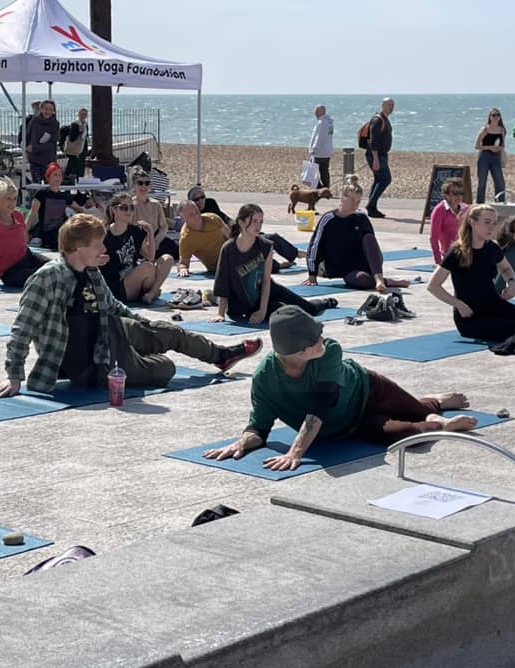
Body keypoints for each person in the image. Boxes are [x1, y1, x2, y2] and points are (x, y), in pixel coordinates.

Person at [0, 214, 263, 396]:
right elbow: (21, 330)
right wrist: (14, 376)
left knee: (170, 332)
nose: (103, 248)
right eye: (97, 243)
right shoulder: (48, 278)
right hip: (95, 362)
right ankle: (139, 356)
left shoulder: (91, 271)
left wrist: (146, 326)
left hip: (109, 331)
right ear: (78, 247)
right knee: (165, 368)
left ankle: (221, 355)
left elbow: (112, 306)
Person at [202, 305, 478, 471]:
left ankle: (434, 403)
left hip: (370, 388)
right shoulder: (265, 378)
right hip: (351, 426)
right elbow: (259, 428)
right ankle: (439, 420)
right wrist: (242, 443)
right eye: (316, 339)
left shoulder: (330, 350)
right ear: (299, 351)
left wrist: (295, 452)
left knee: (418, 411)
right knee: (415, 435)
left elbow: (321, 405)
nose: (323, 339)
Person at [427, 204, 515, 341]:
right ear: (473, 222)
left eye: (494, 223)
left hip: (494, 305)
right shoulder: (457, 252)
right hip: (470, 315)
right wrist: (458, 305)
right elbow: (433, 286)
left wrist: (511, 284)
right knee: (511, 328)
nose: (491, 227)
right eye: (487, 222)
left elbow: (506, 269)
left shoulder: (492, 248)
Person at [212, 204, 337, 325]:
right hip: (239, 306)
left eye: (261, 221)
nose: (258, 226)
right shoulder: (228, 249)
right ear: (241, 222)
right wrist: (220, 314)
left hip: (268, 292)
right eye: (254, 221)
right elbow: (223, 282)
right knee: (286, 313)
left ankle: (324, 302)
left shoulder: (265, 246)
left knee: (309, 309)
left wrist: (262, 311)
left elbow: (266, 281)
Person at [305, 175, 410, 291]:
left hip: (361, 264)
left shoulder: (361, 219)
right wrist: (312, 274)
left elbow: (372, 247)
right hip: (342, 269)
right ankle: (387, 281)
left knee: (368, 237)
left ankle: (379, 279)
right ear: (342, 198)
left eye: (358, 201)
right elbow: (314, 246)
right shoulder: (328, 219)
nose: (355, 204)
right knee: (362, 280)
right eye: (352, 200)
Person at [100, 193, 173, 304]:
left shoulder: (135, 231)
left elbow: (150, 256)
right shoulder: (105, 234)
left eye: (131, 207)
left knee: (167, 259)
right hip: (118, 285)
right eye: (124, 208)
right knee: (147, 267)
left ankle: (150, 294)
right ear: (114, 210)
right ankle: (152, 293)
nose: (128, 211)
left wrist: (149, 233)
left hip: (136, 279)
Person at [25, 163, 85, 250]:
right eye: (55, 175)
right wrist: (25, 231)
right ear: (48, 177)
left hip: (60, 232)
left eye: (60, 175)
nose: (58, 177)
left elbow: (80, 209)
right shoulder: (41, 194)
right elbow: (32, 214)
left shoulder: (64, 196)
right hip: (44, 233)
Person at [131, 167, 176, 259]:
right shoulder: (130, 205)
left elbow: (164, 226)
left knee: (174, 251)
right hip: (139, 241)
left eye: (147, 183)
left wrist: (156, 241)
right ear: (134, 186)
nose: (144, 186)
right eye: (140, 183)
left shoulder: (156, 204)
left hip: (155, 238)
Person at [365, 97, 395, 218]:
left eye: (392, 105)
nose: (391, 107)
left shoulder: (384, 119)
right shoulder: (378, 120)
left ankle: (372, 206)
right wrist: (376, 159)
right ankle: (371, 205)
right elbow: (373, 141)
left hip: (381, 154)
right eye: (389, 105)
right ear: (383, 105)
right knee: (385, 179)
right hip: (376, 155)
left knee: (378, 179)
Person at [429, 178, 469, 264]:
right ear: (446, 195)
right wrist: (438, 262)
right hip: (449, 255)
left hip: (466, 253)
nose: (459, 196)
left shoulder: (466, 209)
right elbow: (433, 239)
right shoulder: (439, 210)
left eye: (461, 193)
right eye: (455, 193)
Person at [475, 108, 506, 203]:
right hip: (484, 156)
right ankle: (480, 204)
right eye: (493, 115)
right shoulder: (485, 129)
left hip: (496, 157)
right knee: (482, 183)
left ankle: (500, 203)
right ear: (490, 117)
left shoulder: (502, 130)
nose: (496, 117)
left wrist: (499, 148)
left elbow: (503, 145)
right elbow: (477, 146)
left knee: (500, 183)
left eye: (498, 115)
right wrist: (489, 147)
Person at [26, 100, 59, 183]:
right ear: (41, 109)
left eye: (50, 109)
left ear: (53, 111)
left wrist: (35, 148)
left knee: (48, 184)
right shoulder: (35, 120)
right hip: (34, 159)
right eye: (46, 109)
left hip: (48, 160)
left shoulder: (55, 124)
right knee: (36, 184)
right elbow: (28, 134)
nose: (47, 111)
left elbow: (52, 144)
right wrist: (26, 147)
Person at [308, 104, 334, 189]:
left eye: (316, 111)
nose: (315, 113)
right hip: (327, 151)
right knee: (324, 171)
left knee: (313, 171)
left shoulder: (322, 122)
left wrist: (314, 149)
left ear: (321, 112)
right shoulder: (329, 122)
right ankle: (326, 188)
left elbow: (318, 137)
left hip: (319, 152)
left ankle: (319, 188)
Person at [64, 108, 89, 179]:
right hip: (75, 150)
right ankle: (68, 182)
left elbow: (85, 138)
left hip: (82, 149)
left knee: (81, 169)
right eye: (82, 114)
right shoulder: (75, 124)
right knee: (72, 168)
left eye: (85, 114)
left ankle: (79, 186)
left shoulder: (86, 124)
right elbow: (72, 138)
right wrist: (79, 131)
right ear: (78, 115)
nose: (83, 116)